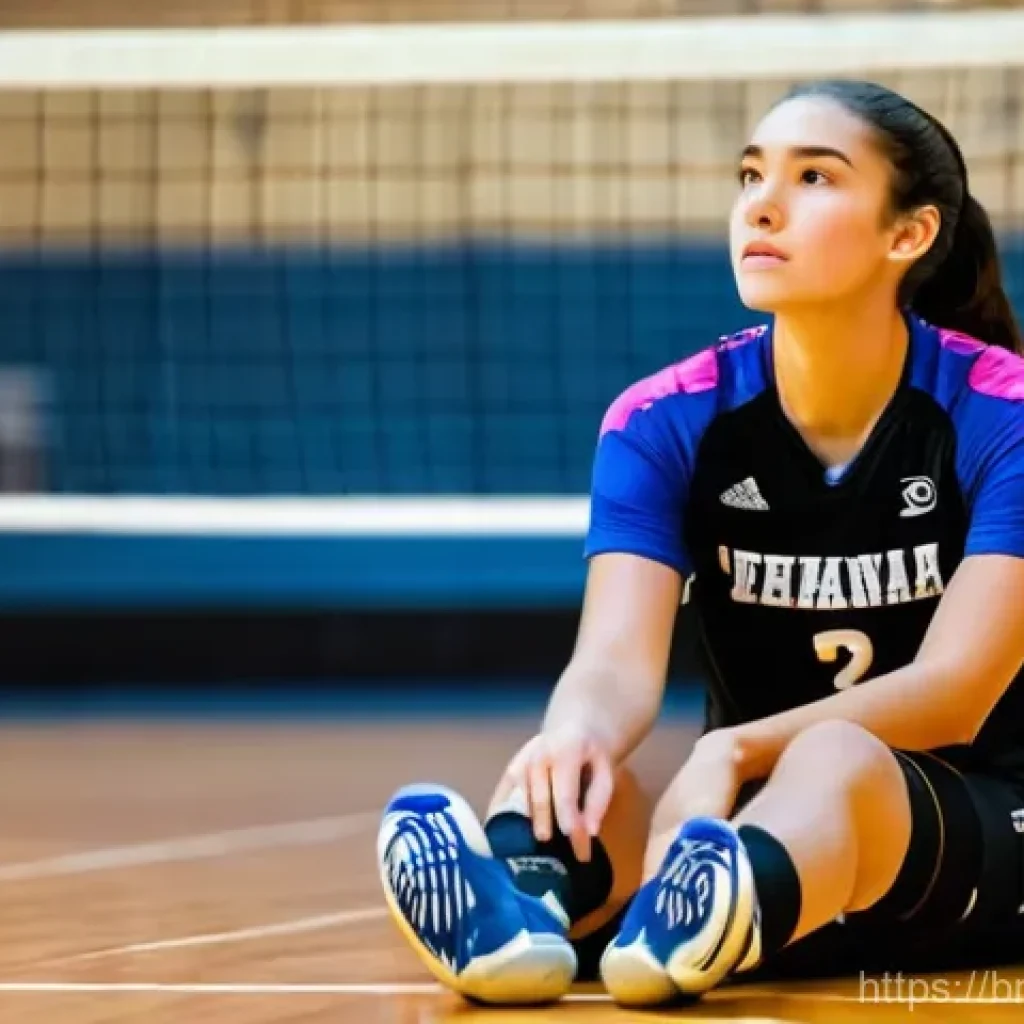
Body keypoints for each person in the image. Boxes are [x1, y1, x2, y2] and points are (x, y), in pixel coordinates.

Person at [377, 78, 1024, 1007]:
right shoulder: (663, 417)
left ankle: (700, 913)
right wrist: (575, 736)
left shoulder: (999, 412)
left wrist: (731, 751)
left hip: (978, 822)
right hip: (746, 831)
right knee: (584, 772)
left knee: (834, 759)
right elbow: (612, 665)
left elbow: (955, 693)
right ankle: (523, 916)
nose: (762, 203)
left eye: (815, 178)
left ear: (908, 235)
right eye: (751, 173)